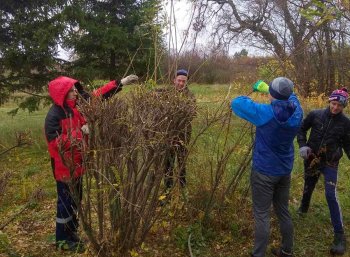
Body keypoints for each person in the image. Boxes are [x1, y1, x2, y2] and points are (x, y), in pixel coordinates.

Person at [44, 74, 138, 252]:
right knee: (65, 202)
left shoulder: (78, 106)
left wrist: (120, 83)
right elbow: (56, 143)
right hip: (64, 168)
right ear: (61, 93)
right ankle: (63, 240)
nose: (74, 93)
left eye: (74, 89)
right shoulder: (53, 116)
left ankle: (71, 234)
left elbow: (97, 96)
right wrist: (81, 132)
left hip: (79, 165)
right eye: (70, 91)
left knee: (76, 201)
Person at [231, 77, 303, 257]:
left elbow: (237, 103)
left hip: (264, 171)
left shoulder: (265, 113)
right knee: (282, 210)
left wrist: (261, 91)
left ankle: (258, 254)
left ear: (273, 94)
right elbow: (291, 96)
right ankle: (287, 250)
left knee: (262, 214)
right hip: (284, 170)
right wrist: (271, 91)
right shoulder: (297, 111)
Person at [297, 87, 350, 255]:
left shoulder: (346, 123)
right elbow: (301, 129)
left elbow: (348, 145)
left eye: (339, 106)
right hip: (312, 158)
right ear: (329, 101)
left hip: (330, 163)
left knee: (330, 194)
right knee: (309, 184)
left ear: (344, 107)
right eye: (334, 104)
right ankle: (303, 209)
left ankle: (340, 236)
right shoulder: (315, 114)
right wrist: (303, 145)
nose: (335, 108)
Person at [163, 69, 196, 189]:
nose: (181, 83)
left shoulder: (190, 96)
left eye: (184, 81)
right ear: (174, 80)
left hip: (183, 134)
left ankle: (182, 188)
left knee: (182, 161)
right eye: (179, 80)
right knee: (168, 163)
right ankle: (167, 190)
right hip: (168, 134)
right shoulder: (167, 94)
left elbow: (191, 114)